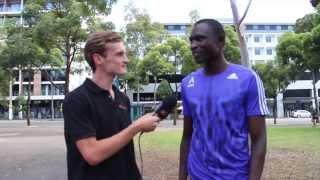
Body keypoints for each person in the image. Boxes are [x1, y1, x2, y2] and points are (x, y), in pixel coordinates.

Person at [179, 19, 269, 180]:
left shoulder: (248, 79)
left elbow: (259, 138)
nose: (193, 45)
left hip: (236, 175)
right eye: (191, 40)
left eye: (199, 39)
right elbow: (187, 136)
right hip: (197, 175)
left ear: (220, 42)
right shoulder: (187, 84)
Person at [63, 31, 160, 180]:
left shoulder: (122, 99)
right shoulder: (76, 100)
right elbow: (92, 154)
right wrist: (136, 127)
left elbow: (123, 147)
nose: (126, 60)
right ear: (98, 58)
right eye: (120, 54)